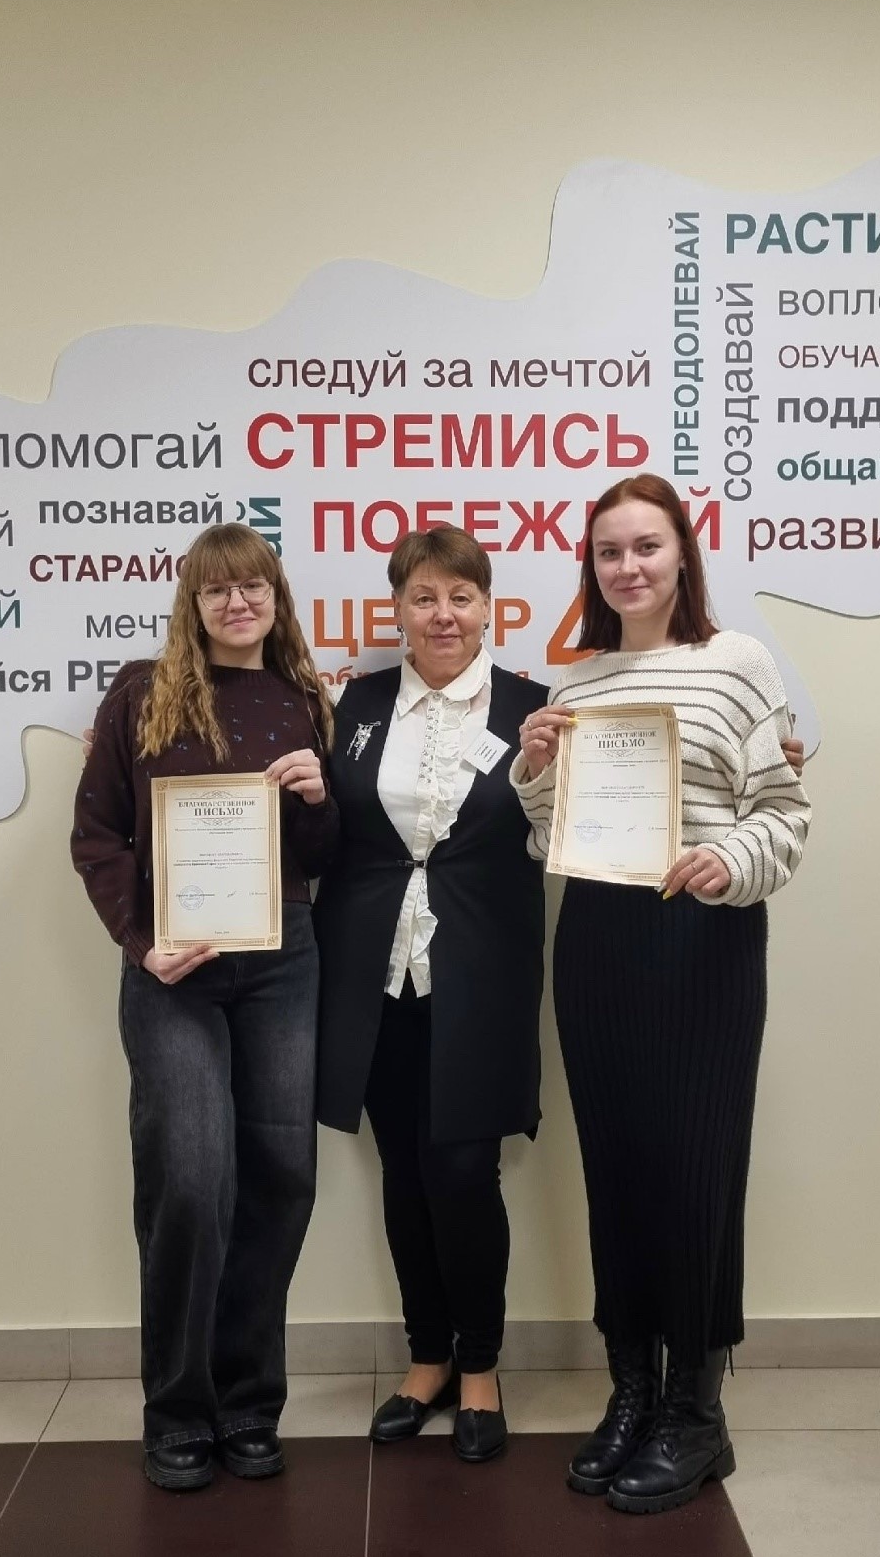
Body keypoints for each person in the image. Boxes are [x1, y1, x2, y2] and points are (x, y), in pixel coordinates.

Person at [513, 474, 811, 1514]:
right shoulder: (580, 684)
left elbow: (782, 812)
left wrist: (727, 859)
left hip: (701, 939)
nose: (628, 566)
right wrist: (534, 769)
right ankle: (631, 1389)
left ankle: (696, 1411)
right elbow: (550, 837)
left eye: (646, 545)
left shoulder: (737, 665)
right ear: (589, 569)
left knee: (695, 1172)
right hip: (597, 941)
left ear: (682, 553)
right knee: (618, 1169)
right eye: (608, 551)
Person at [71, 525, 338, 1493]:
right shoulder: (140, 693)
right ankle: (178, 1410)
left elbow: (321, 857)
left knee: (279, 1175)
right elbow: (96, 835)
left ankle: (249, 1402)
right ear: (192, 601)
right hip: (172, 969)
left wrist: (320, 798)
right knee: (188, 1175)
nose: (237, 603)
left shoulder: (304, 699)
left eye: (253, 586)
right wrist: (141, 940)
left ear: (276, 598)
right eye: (217, 589)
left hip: (281, 960)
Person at [314, 527, 550, 1463]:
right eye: (423, 597)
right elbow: (327, 829)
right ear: (399, 611)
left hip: (481, 977)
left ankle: (481, 1365)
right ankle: (427, 1358)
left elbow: (569, 829)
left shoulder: (535, 710)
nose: (442, 614)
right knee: (404, 1173)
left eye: (460, 596)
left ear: (488, 607)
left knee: (462, 1173)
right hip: (374, 976)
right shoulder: (358, 706)